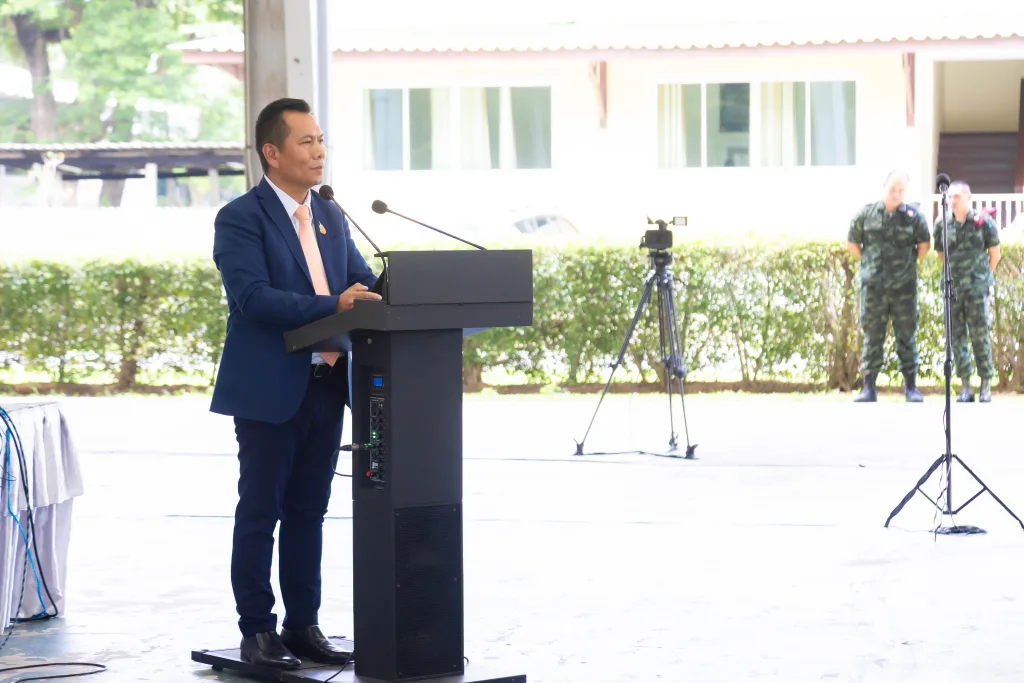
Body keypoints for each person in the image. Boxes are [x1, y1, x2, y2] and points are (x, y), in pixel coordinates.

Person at [210, 98, 381, 669]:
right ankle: (257, 629)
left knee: (309, 511)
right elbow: (253, 298)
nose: (319, 152)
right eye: (306, 142)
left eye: (321, 140)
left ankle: (303, 624)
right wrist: (335, 305)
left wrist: (402, 286)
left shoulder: (329, 212)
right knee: (261, 511)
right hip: (270, 387)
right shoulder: (241, 217)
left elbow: (360, 281)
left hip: (328, 384)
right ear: (272, 152)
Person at [847, 170, 931, 402]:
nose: (896, 194)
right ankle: (868, 388)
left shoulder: (914, 217)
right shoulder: (866, 214)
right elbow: (853, 243)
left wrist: (907, 265)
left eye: (901, 190)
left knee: (907, 335)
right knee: (872, 336)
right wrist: (869, 264)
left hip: (904, 288)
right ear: (883, 187)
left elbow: (924, 245)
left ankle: (911, 387)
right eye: (892, 189)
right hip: (874, 288)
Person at [933, 180, 1001, 403]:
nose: (952, 201)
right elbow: (941, 255)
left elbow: (995, 254)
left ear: (968, 198)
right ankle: (965, 386)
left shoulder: (983, 222)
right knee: (956, 338)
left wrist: (980, 276)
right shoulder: (942, 224)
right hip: (952, 289)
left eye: (957, 197)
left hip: (976, 289)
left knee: (980, 336)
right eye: (950, 197)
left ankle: (985, 385)